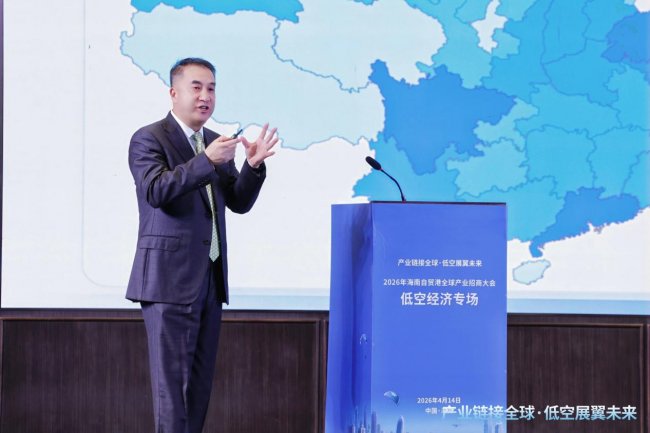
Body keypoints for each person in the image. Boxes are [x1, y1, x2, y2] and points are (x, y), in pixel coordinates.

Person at [126, 57, 277, 433]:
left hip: (209, 282)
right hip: (168, 284)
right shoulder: (149, 138)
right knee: (172, 394)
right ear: (173, 92)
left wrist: (252, 167)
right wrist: (206, 161)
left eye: (211, 89)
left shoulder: (214, 142)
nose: (205, 96)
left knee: (197, 393)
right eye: (196, 87)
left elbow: (237, 201)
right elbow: (157, 190)